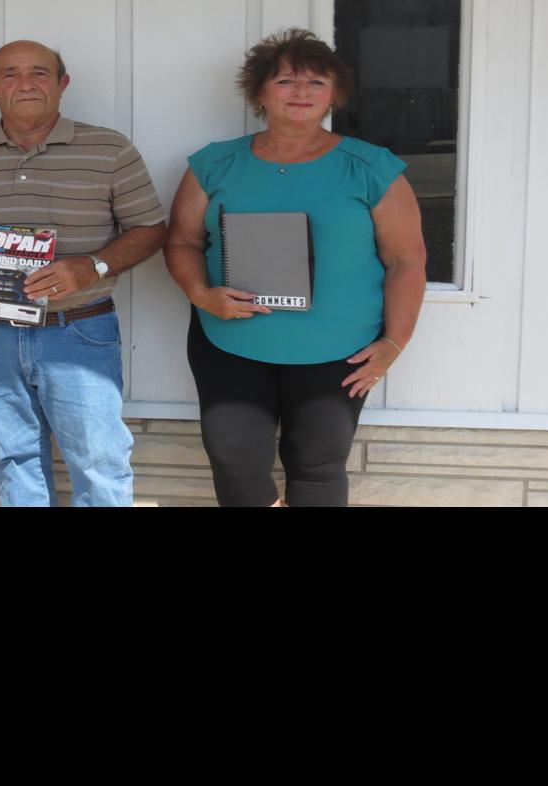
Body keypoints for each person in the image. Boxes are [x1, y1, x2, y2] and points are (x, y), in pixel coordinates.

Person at [163, 29, 427, 507]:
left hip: (339, 348)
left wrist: (394, 342)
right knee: (235, 459)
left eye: (316, 82)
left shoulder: (370, 168)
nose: (301, 93)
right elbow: (181, 241)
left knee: (318, 466)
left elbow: (406, 260)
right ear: (259, 92)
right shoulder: (214, 164)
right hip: (232, 340)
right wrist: (202, 295)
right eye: (285, 81)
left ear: (335, 94)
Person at [0, 41, 167, 507]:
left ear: (62, 84)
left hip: (78, 327)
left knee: (99, 461)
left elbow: (151, 229)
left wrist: (93, 266)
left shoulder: (110, 148)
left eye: (40, 73)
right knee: (12, 458)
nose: (26, 84)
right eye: (11, 74)